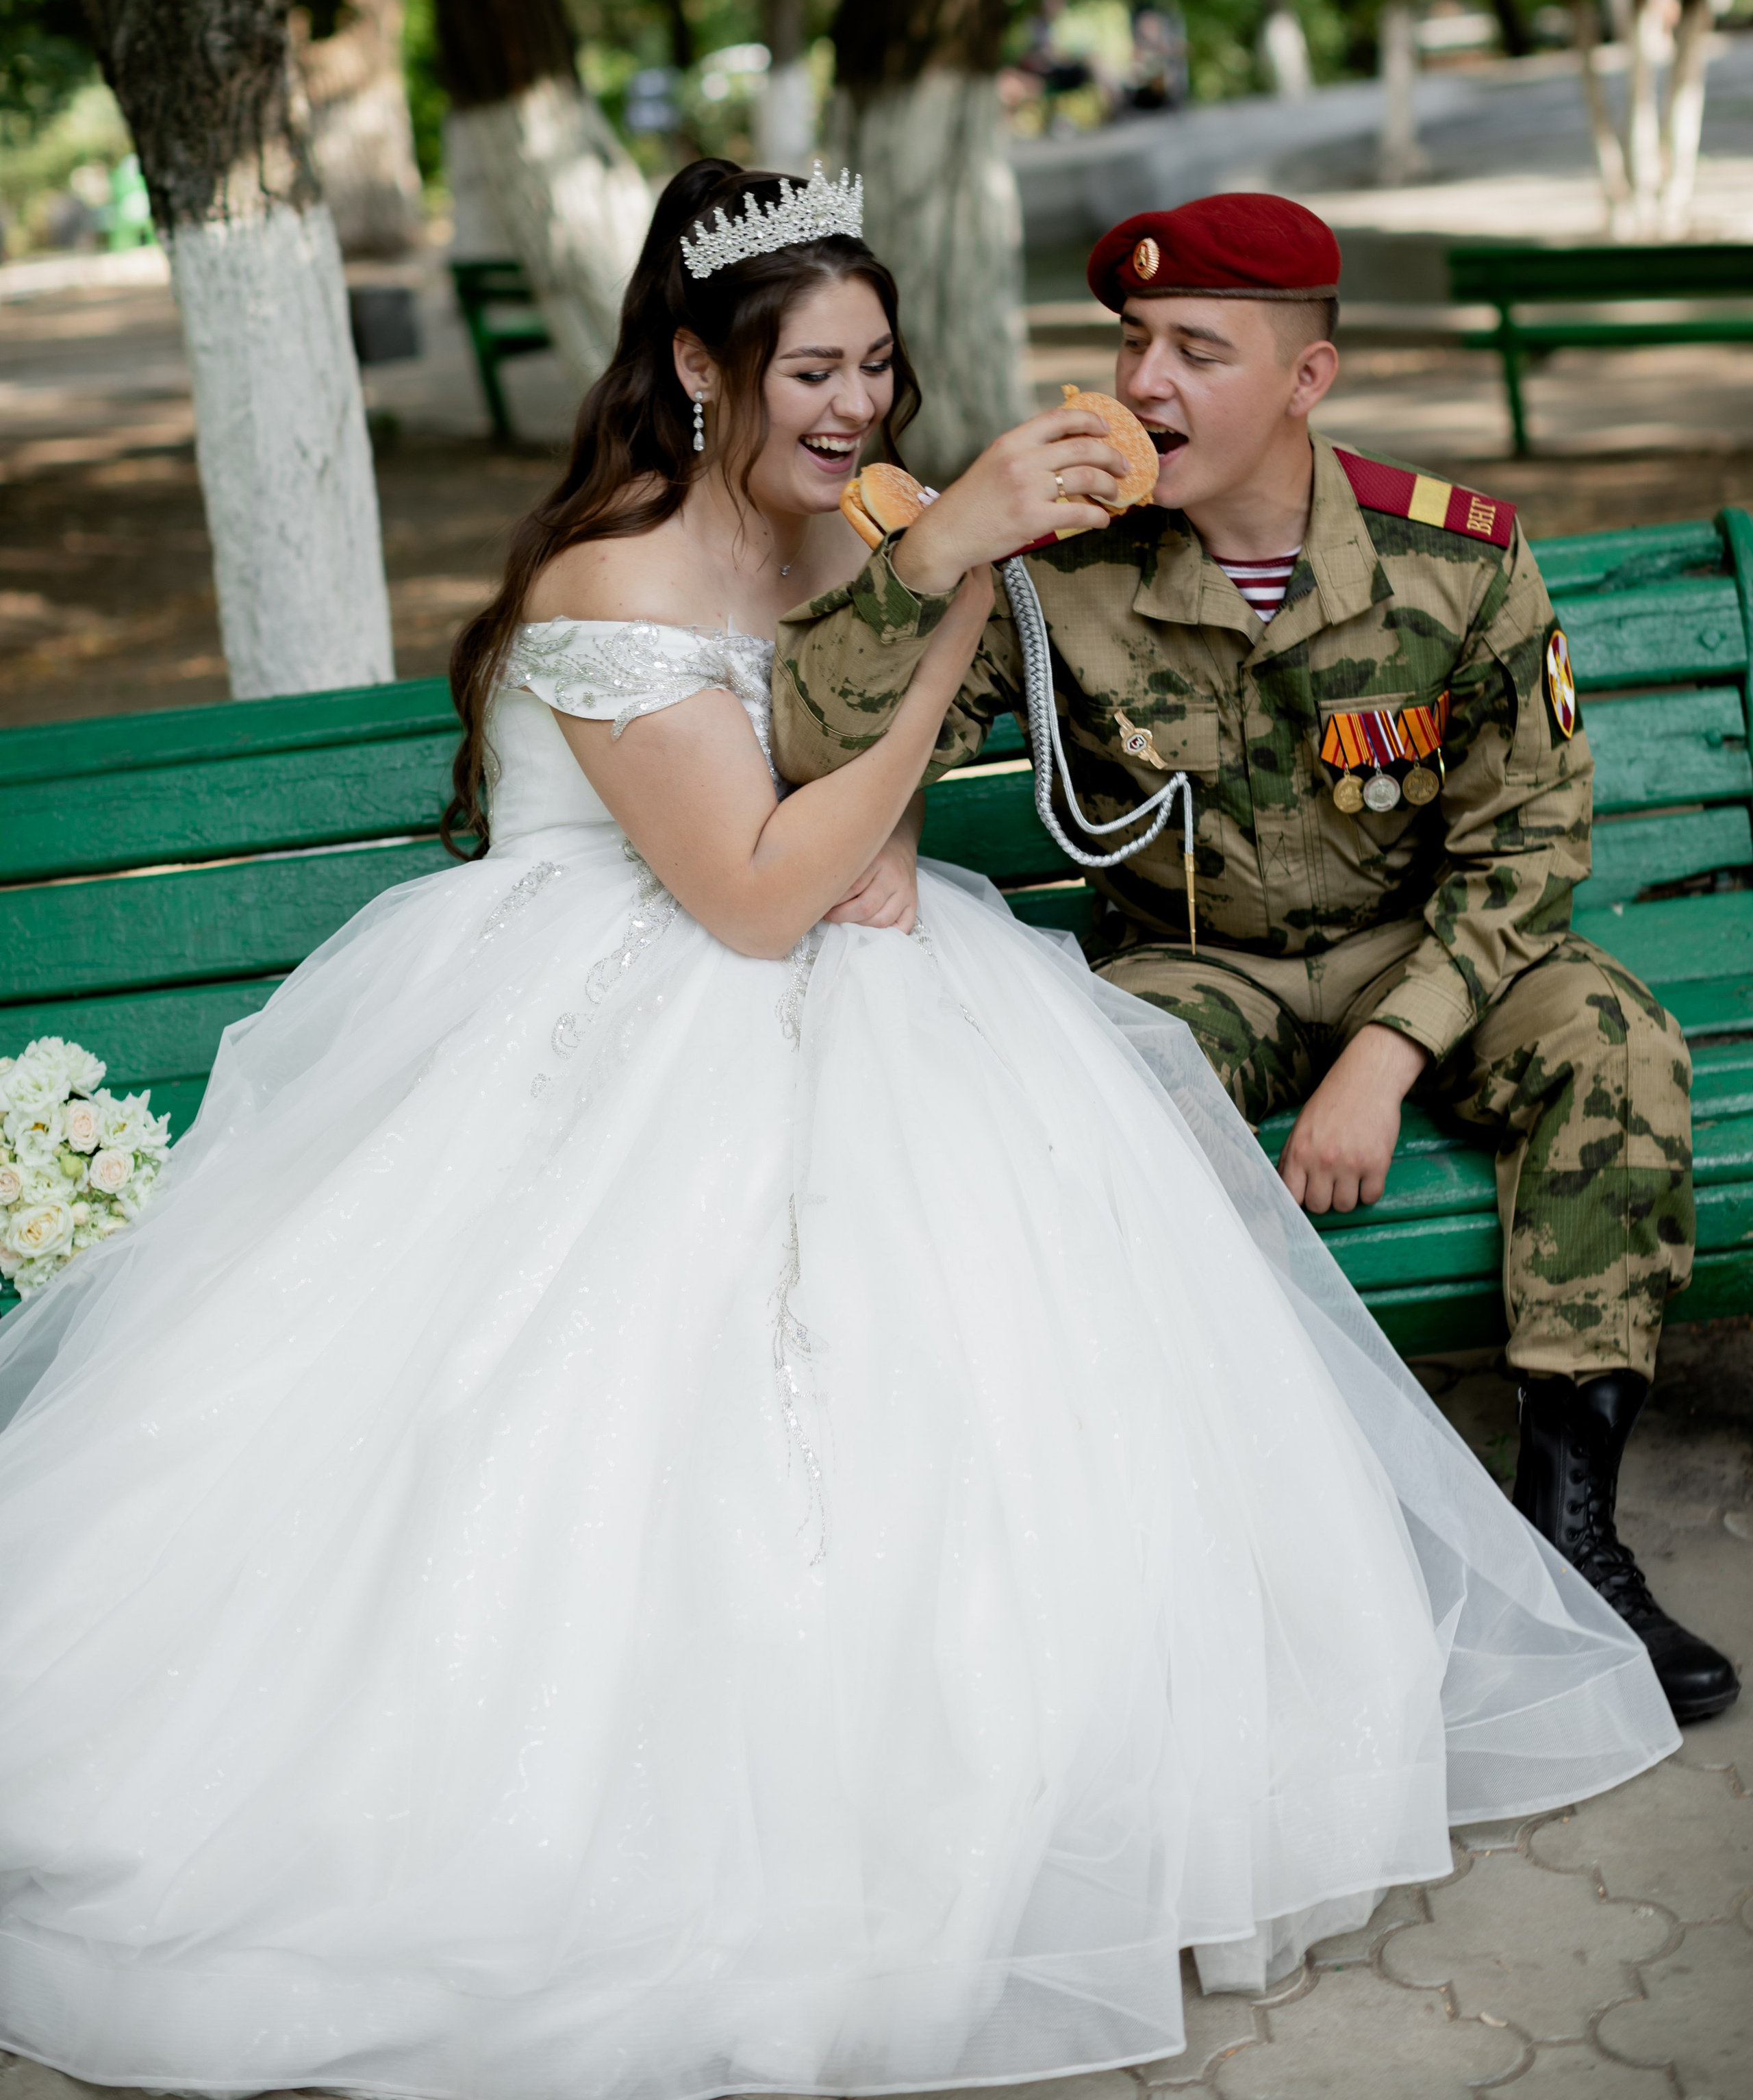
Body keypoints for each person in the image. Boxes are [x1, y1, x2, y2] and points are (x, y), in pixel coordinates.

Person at [0, 165, 1678, 2100]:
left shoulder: (884, 532)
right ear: (699, 368)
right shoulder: (619, 577)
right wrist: (941, 602)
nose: (859, 405)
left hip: (862, 960)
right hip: (624, 996)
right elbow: (755, 878)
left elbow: (838, 767)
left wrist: (894, 711)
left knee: (1005, 1255)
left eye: (877, 364)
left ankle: (1286, 1652)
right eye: (812, 369)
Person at [773, 188, 1741, 1729]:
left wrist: (1385, 1057)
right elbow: (814, 745)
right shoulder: (1059, 567)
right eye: (1132, 341)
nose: (1143, 382)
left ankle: (1573, 1540)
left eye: (1197, 350)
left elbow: (1529, 843)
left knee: (1613, 1041)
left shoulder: (1455, 560)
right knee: (1089, 1109)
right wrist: (945, 541)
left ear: (1307, 378)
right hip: (1195, 965)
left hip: (1425, 953)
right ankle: (1248, 1559)